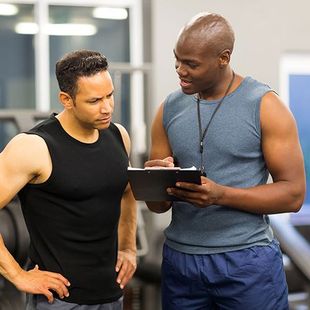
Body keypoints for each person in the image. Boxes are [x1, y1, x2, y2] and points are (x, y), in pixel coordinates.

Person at [145, 12, 306, 310]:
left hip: (246, 261)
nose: (180, 70)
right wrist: (155, 183)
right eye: (177, 59)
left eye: (191, 64)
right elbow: (158, 206)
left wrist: (221, 195)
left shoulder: (266, 106)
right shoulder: (168, 109)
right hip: (182, 261)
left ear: (223, 58)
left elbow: (293, 194)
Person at [0, 49, 137, 309]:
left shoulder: (118, 136)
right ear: (67, 99)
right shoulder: (34, 147)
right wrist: (18, 275)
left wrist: (129, 248)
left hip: (111, 295)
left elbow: (127, 191)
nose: (107, 107)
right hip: (60, 300)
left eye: (110, 96)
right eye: (95, 100)